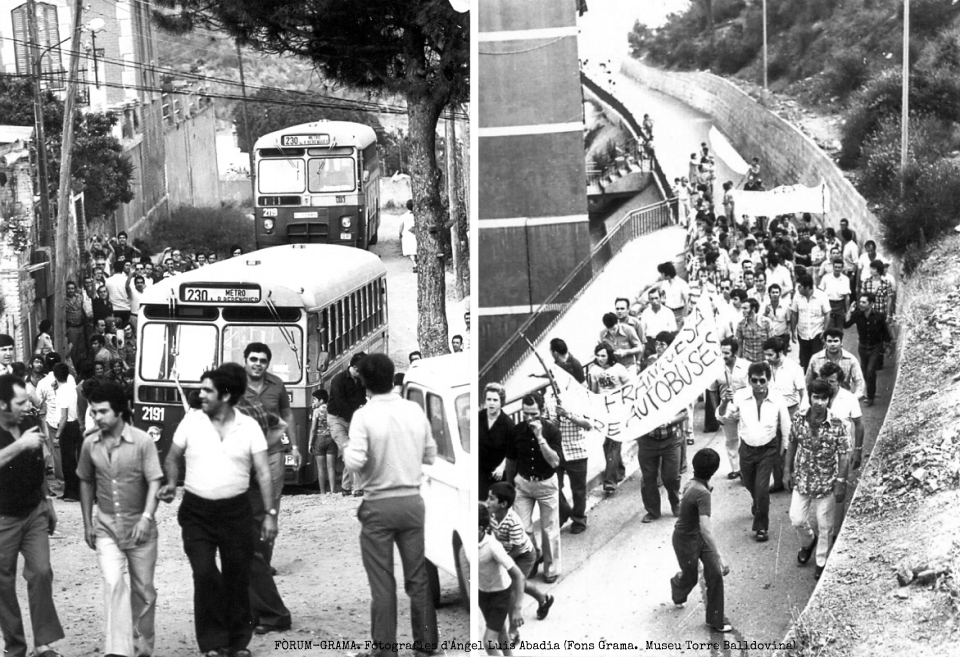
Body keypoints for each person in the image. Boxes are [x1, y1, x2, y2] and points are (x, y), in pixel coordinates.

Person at [158, 365, 277, 657]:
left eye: (207, 390)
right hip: (197, 514)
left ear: (226, 395)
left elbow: (263, 472)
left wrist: (271, 514)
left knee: (238, 576)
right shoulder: (192, 421)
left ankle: (237, 643)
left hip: (236, 513)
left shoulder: (248, 427)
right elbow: (172, 457)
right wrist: (172, 483)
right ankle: (212, 641)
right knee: (204, 572)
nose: (201, 395)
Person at [344, 353, 438, 657]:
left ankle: (385, 650)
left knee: (383, 583)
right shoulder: (413, 410)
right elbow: (430, 455)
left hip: (378, 506)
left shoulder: (363, 416)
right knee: (418, 578)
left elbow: (356, 462)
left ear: (364, 382)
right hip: (412, 502)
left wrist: (348, 450)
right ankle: (425, 646)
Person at [77, 382, 163, 657]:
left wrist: (146, 519)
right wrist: (88, 523)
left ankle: (142, 648)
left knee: (144, 592)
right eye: (93, 412)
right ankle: (119, 651)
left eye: (102, 412)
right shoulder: (90, 443)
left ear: (119, 413)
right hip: (106, 527)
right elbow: (85, 481)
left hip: (141, 529)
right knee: (113, 583)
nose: (96, 417)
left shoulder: (142, 441)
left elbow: (155, 482)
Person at [0, 373, 66, 657]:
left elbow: (39, 464)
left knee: (41, 571)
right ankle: (15, 646)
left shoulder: (27, 423)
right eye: (20, 402)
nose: (28, 407)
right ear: (2, 405)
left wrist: (48, 502)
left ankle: (44, 643)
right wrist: (19, 446)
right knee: (2, 584)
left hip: (34, 512)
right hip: (3, 520)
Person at [783, 379, 850, 580]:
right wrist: (787, 470)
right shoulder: (798, 419)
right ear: (810, 397)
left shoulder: (838, 424)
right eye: (816, 397)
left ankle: (821, 561)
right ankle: (808, 542)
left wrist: (840, 482)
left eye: (824, 398)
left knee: (825, 525)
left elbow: (844, 454)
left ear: (829, 400)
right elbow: (792, 442)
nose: (819, 402)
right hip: (802, 479)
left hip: (827, 482)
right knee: (797, 519)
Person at [719, 362, 791, 542]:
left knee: (762, 488)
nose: (759, 385)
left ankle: (761, 527)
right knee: (749, 483)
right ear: (749, 381)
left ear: (769, 380)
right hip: (747, 449)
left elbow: (786, 426)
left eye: (762, 381)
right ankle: (756, 501)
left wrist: (784, 451)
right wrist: (725, 402)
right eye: (754, 381)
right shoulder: (740, 396)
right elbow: (722, 416)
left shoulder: (778, 399)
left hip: (768, 450)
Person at [239, 342, 298, 561]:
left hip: (272, 452)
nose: (258, 364)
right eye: (253, 359)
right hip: (242, 456)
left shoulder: (277, 384)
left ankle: (264, 560)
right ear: (245, 361)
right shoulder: (234, 385)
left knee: (270, 503)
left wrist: (295, 447)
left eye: (263, 361)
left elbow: (287, 415)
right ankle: (244, 558)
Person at [670, 448, 731, 633]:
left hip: (696, 537)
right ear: (714, 470)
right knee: (690, 578)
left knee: (715, 574)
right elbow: (706, 528)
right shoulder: (702, 493)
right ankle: (677, 587)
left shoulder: (692, 483)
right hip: (685, 541)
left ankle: (715, 619)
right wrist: (720, 557)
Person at [505, 393, 562, 583]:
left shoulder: (552, 431)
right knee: (522, 528)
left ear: (542, 411)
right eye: (526, 414)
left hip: (546, 484)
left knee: (549, 529)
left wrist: (540, 438)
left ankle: (551, 569)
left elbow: (554, 462)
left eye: (534, 414)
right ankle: (532, 559)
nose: (529, 419)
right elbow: (511, 460)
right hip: (523, 484)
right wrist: (510, 485)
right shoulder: (516, 431)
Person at [487, 482, 553, 641]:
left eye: (491, 499)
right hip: (508, 552)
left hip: (523, 555)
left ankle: (513, 630)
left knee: (513, 589)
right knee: (519, 583)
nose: (487, 502)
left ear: (503, 504)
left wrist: (504, 561)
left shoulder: (513, 521)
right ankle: (544, 599)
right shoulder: (492, 515)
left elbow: (517, 548)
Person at [478, 504, 523, 657]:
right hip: (483, 594)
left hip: (500, 595)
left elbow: (519, 576)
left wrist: (516, 608)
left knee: (488, 643)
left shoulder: (493, 546)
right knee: (501, 632)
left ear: (480, 528)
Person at [586, 344, 631, 494]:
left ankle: (610, 480)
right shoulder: (594, 371)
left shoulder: (619, 369)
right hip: (604, 412)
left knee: (614, 442)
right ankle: (619, 470)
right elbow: (593, 391)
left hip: (618, 410)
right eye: (598, 355)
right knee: (608, 444)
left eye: (603, 356)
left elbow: (629, 386)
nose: (600, 359)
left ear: (610, 356)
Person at [707, 338, 749, 480]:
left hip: (744, 408)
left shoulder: (746, 367)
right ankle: (735, 469)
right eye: (721, 352)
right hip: (726, 408)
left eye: (727, 353)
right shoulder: (716, 368)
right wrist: (717, 412)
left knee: (745, 438)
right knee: (731, 440)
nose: (723, 356)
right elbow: (712, 391)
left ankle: (746, 469)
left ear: (735, 352)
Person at [327, 353, 367, 496]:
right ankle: (358, 488)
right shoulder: (338, 380)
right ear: (354, 367)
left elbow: (362, 399)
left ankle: (345, 487)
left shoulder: (361, 380)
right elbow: (340, 403)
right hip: (337, 419)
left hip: (352, 419)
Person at [843, 292, 892, 407]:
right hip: (863, 347)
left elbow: (885, 332)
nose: (861, 304)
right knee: (865, 372)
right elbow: (846, 325)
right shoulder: (857, 315)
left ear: (871, 304)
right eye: (860, 302)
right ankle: (871, 391)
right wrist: (849, 312)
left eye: (864, 302)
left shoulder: (879, 317)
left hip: (875, 347)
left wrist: (888, 346)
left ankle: (870, 396)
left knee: (870, 371)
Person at [551, 403, 591, 534]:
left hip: (576, 451)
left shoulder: (579, 397)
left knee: (579, 490)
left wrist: (568, 415)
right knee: (554, 487)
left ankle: (579, 520)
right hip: (556, 452)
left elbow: (589, 424)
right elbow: (544, 421)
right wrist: (552, 424)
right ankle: (564, 512)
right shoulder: (548, 397)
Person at [804, 328, 866, 400]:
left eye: (836, 341)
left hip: (843, 399)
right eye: (829, 341)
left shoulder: (851, 359)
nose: (833, 344)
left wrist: (853, 399)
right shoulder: (815, 359)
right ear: (825, 343)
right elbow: (807, 383)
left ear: (841, 342)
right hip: (822, 399)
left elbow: (859, 383)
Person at [479, 382, 514, 501]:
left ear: (501, 402)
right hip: (480, 471)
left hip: (497, 474)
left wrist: (502, 467)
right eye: (489, 399)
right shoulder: (478, 417)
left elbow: (512, 449)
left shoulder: (508, 424)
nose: (491, 403)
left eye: (495, 400)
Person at [52, 364, 82, 504]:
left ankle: (71, 492)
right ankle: (71, 491)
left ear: (55, 375)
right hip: (75, 425)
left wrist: (57, 435)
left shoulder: (62, 391)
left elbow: (63, 416)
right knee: (72, 460)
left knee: (67, 462)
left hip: (66, 427)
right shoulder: (71, 388)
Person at [790, 275, 831, 371]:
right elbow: (794, 314)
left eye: (799, 287)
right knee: (804, 360)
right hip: (802, 334)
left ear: (807, 287)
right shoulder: (797, 296)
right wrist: (793, 331)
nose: (797, 289)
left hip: (817, 333)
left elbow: (827, 314)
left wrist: (824, 331)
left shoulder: (822, 296)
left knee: (817, 360)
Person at [307, 389, 336, 495]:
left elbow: (313, 429)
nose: (313, 402)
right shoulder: (332, 408)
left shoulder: (316, 411)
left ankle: (323, 492)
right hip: (331, 439)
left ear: (321, 400)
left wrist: (310, 442)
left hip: (319, 440)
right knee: (331, 467)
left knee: (321, 468)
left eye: (315, 400)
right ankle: (332, 491)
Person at [639, 287, 677, 363]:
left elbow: (673, 330)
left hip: (664, 342)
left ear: (660, 298)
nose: (654, 301)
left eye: (656, 298)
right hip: (650, 342)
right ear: (649, 300)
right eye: (652, 299)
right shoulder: (645, 313)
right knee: (649, 362)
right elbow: (642, 331)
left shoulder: (668, 312)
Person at [818, 258, 850, 332]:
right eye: (835, 267)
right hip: (828, 305)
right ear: (833, 267)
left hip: (840, 306)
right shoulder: (826, 277)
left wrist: (847, 311)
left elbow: (847, 297)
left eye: (839, 267)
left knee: (839, 329)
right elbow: (820, 292)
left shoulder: (846, 279)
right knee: (829, 329)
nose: (837, 269)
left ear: (842, 268)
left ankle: (840, 343)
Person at [735, 298, 771, 363]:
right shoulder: (741, 324)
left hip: (763, 360)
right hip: (747, 361)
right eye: (742, 308)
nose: (742, 310)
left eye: (745, 308)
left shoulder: (766, 322)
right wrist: (738, 362)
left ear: (753, 309)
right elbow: (739, 345)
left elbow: (772, 343)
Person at [400, 200, 417, 272]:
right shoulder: (418, 215)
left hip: (408, 235)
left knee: (411, 251)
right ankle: (417, 264)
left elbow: (401, 226)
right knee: (416, 249)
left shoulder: (404, 216)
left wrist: (400, 233)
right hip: (416, 234)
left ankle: (415, 264)